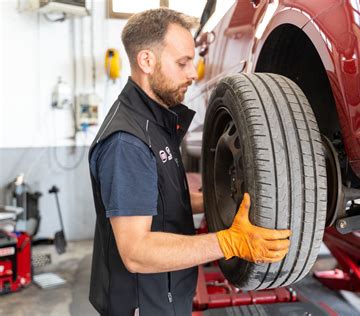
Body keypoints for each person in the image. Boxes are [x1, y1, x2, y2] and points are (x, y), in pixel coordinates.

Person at [88, 8, 291, 316]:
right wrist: (229, 242)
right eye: (182, 62)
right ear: (146, 61)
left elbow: (166, 204)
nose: (193, 73)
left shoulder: (154, 124)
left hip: (167, 297)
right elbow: (136, 253)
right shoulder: (127, 142)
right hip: (144, 307)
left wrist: (234, 198)